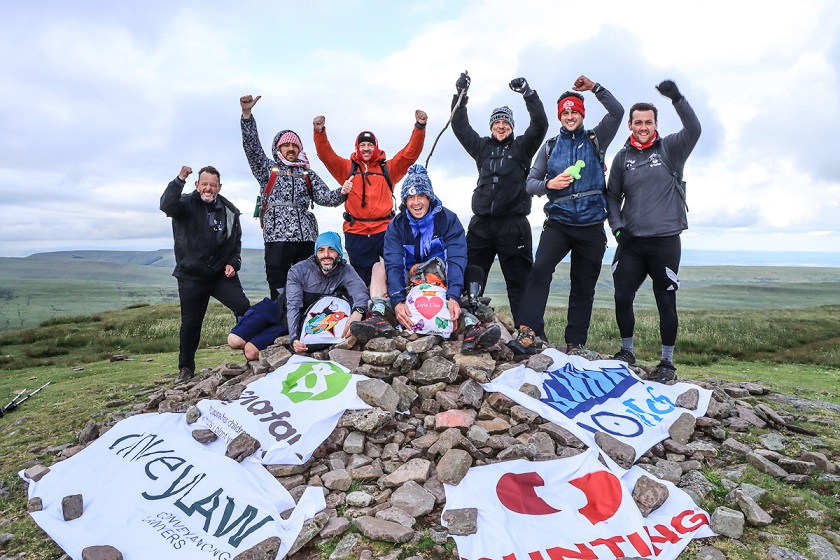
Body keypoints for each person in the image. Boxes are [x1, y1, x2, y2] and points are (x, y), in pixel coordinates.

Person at [509, 76, 624, 355]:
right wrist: (549, 184)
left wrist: (595, 88)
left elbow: (618, 112)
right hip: (558, 224)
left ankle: (575, 343)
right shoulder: (550, 147)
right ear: (560, 115)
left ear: (581, 115)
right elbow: (530, 183)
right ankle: (528, 330)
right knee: (539, 272)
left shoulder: (597, 138)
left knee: (583, 285)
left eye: (574, 112)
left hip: (591, 226)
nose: (569, 116)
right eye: (565, 112)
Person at [606, 80, 701, 383]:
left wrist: (678, 99)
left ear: (656, 124)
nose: (643, 126)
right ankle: (626, 351)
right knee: (622, 295)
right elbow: (611, 196)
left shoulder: (672, 148)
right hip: (631, 242)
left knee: (665, 301)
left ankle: (667, 363)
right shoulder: (623, 157)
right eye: (638, 122)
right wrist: (618, 229)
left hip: (665, 241)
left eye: (648, 122)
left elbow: (695, 130)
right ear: (630, 126)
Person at [351, 165, 500, 352]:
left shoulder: (448, 220)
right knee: (378, 268)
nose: (416, 202)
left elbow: (456, 257)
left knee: (473, 271)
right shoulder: (397, 226)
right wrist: (397, 300)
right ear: (405, 200)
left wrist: (453, 295)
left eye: (421, 196)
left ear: (429, 197)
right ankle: (379, 315)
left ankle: (471, 321)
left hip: (441, 277)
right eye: (410, 197)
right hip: (409, 279)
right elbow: (394, 263)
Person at [450, 73, 549, 325]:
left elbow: (540, 125)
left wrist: (528, 93)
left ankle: (529, 334)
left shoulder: (522, 148)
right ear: (491, 127)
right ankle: (466, 327)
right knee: (470, 277)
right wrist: (460, 96)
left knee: (520, 283)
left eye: (505, 122)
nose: (501, 126)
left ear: (512, 127)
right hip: (481, 225)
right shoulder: (481, 147)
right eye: (497, 123)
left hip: (513, 226)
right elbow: (460, 127)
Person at [240, 95, 348, 300]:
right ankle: (280, 328)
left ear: (300, 149)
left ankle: (306, 326)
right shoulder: (267, 170)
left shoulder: (306, 173)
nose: (291, 149)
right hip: (276, 239)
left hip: (305, 239)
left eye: (295, 146)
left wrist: (343, 191)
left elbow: (325, 197)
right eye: (286, 145)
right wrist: (247, 116)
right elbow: (252, 148)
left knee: (308, 287)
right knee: (279, 289)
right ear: (277, 148)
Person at [312, 110, 427, 287]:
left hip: (385, 229)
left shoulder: (388, 168)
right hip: (356, 231)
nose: (366, 148)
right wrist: (319, 132)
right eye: (363, 145)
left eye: (370, 145)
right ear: (357, 148)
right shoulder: (346, 168)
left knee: (397, 269)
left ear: (376, 147)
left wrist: (419, 127)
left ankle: (399, 305)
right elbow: (326, 156)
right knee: (362, 280)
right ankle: (367, 311)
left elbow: (409, 154)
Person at [160, 165, 251, 385]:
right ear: (197, 185)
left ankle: (253, 355)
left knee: (244, 309)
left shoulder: (230, 211)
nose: (208, 189)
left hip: (220, 274)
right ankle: (186, 368)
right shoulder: (184, 204)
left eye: (213, 185)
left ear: (219, 187)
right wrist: (179, 179)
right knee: (191, 324)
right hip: (190, 275)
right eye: (204, 184)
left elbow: (235, 243)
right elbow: (166, 205)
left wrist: (233, 263)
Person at [228, 231, 368, 357]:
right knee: (233, 341)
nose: (326, 255)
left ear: (339, 252)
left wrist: (358, 312)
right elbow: (293, 305)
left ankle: (260, 340)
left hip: (295, 320)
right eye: (321, 250)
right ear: (316, 253)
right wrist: (295, 338)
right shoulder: (299, 270)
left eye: (331, 250)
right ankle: (259, 335)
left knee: (250, 352)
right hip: (277, 308)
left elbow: (360, 292)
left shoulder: (346, 271)